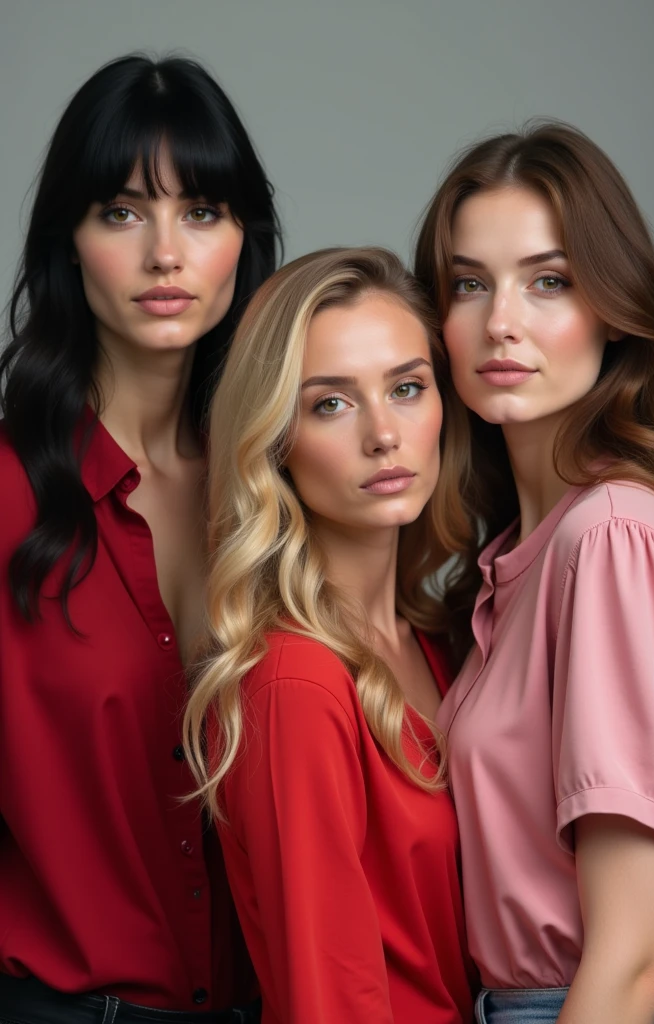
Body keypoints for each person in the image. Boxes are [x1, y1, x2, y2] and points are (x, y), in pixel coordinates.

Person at [0, 53, 280, 1024]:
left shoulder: (285, 493)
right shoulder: (3, 499)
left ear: (243, 240)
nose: (166, 253)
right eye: (121, 211)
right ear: (68, 242)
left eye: (201, 211)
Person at [415, 121, 654, 1024]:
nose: (501, 323)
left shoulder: (608, 535)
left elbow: (639, 960)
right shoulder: (510, 561)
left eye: (548, 281)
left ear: (613, 309)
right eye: (469, 284)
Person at [184, 247, 477, 1024]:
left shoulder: (437, 645)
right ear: (274, 440)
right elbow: (331, 1003)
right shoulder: (295, 682)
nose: (385, 434)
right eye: (331, 405)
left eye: (408, 389)